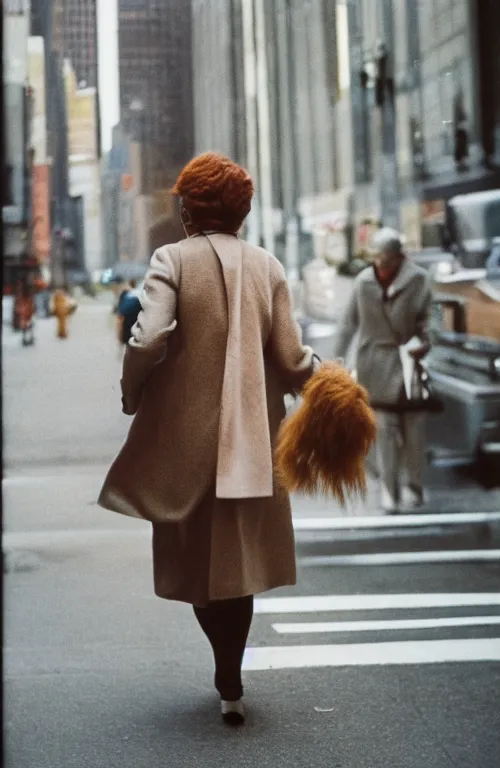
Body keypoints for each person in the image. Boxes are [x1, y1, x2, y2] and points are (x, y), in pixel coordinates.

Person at [98, 152, 317, 726]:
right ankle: (231, 674)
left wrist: (132, 392)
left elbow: (147, 340)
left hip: (184, 443)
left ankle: (223, 668)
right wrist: (332, 383)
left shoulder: (171, 257)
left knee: (195, 563)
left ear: (188, 208)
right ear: (242, 211)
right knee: (237, 565)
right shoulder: (268, 266)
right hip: (253, 442)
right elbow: (293, 360)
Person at [335, 227, 432, 513]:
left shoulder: (418, 280)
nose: (380, 263)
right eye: (376, 257)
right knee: (385, 428)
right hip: (375, 364)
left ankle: (414, 485)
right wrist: (335, 362)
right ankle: (390, 491)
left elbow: (431, 319)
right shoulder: (363, 282)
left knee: (413, 431)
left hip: (410, 363)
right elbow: (348, 324)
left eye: (386, 257)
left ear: (399, 256)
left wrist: (426, 341)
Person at [116, 279, 142, 347]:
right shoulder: (140, 292)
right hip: (137, 316)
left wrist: (119, 336)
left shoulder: (126, 294)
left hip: (127, 317)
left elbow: (120, 317)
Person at [16, 279, 36, 347]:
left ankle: (26, 339)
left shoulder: (22, 292)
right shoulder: (25, 293)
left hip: (25, 310)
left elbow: (21, 302)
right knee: (28, 325)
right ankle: (29, 338)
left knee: (26, 325)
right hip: (26, 310)